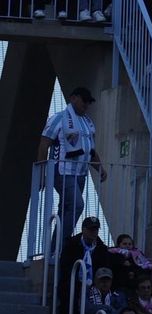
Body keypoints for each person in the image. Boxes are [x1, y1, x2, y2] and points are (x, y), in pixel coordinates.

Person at [37, 85, 107, 231]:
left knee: (67, 208)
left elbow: (90, 149)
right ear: (73, 98)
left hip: (80, 174)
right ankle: (63, 244)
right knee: (77, 205)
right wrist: (41, 173)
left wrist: (100, 168)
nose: (86, 105)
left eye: (89, 102)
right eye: (84, 101)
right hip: (62, 171)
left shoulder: (87, 122)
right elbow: (44, 145)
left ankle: (57, 248)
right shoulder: (58, 118)